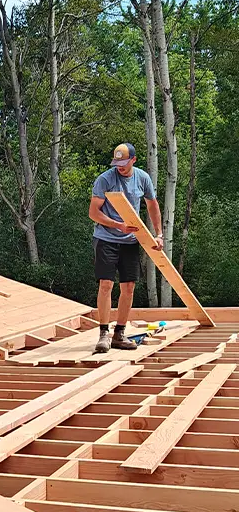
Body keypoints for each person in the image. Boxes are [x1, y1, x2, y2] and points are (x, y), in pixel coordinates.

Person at [89, 143, 163, 354]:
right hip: (106, 238)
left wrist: (158, 235)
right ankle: (104, 333)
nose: (120, 167)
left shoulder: (142, 178)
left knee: (128, 287)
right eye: (117, 163)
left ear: (134, 160)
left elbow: (152, 205)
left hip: (130, 240)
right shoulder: (106, 179)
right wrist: (117, 224)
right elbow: (94, 213)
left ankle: (119, 334)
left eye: (124, 163)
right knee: (106, 284)